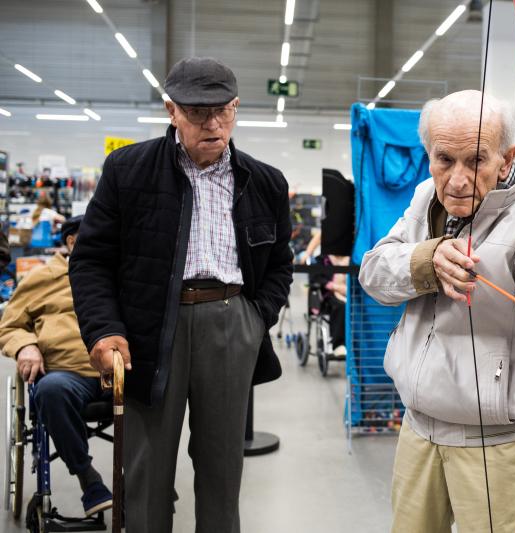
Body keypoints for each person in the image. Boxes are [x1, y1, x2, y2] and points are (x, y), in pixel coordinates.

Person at [69, 57, 293, 533]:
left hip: (232, 326)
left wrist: (255, 321)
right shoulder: (128, 170)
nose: (212, 124)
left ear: (235, 108)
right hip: (150, 331)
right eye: (196, 112)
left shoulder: (265, 181)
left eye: (223, 111)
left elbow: (279, 263)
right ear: (171, 110)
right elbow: (90, 260)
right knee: (146, 474)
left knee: (222, 471)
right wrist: (105, 330)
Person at [358, 90, 515, 533]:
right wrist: (425, 260)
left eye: (476, 161)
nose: (458, 180)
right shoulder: (427, 197)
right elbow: (373, 271)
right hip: (418, 427)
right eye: (444, 159)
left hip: (497, 447)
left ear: (507, 160)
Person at [0, 216, 114, 517]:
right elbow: (9, 325)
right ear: (72, 242)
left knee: (160, 387)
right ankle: (89, 480)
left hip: (116, 371)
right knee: (50, 389)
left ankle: (148, 478)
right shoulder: (42, 278)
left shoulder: (116, 275)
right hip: (67, 374)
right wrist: (26, 345)